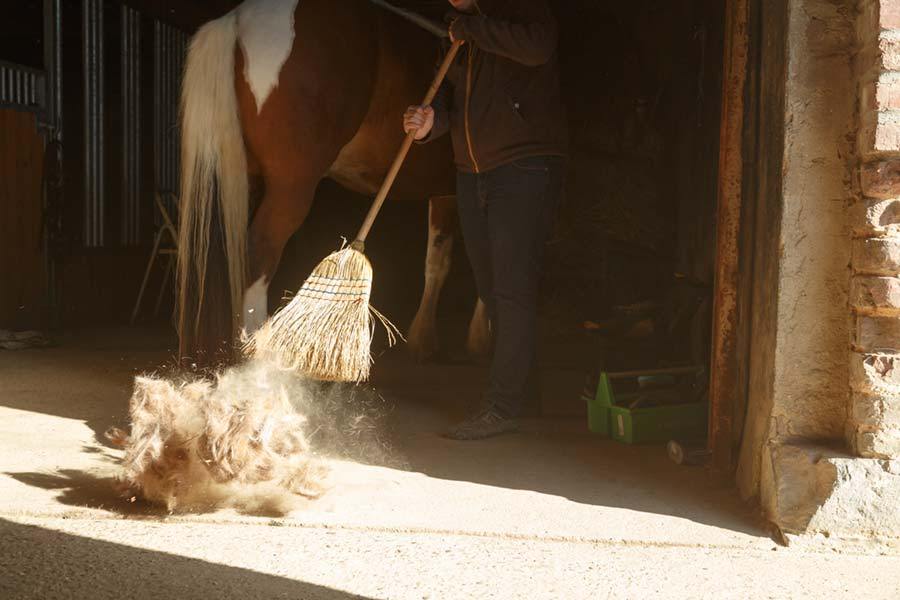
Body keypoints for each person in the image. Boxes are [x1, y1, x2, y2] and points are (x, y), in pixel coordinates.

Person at [404, 0, 567, 440]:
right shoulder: (458, 32)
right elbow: (449, 98)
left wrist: (473, 28)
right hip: (471, 172)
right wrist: (430, 121)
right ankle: (524, 393)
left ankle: (502, 405)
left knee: (512, 289)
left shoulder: (515, 12)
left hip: (523, 167)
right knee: (491, 287)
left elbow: (538, 47)